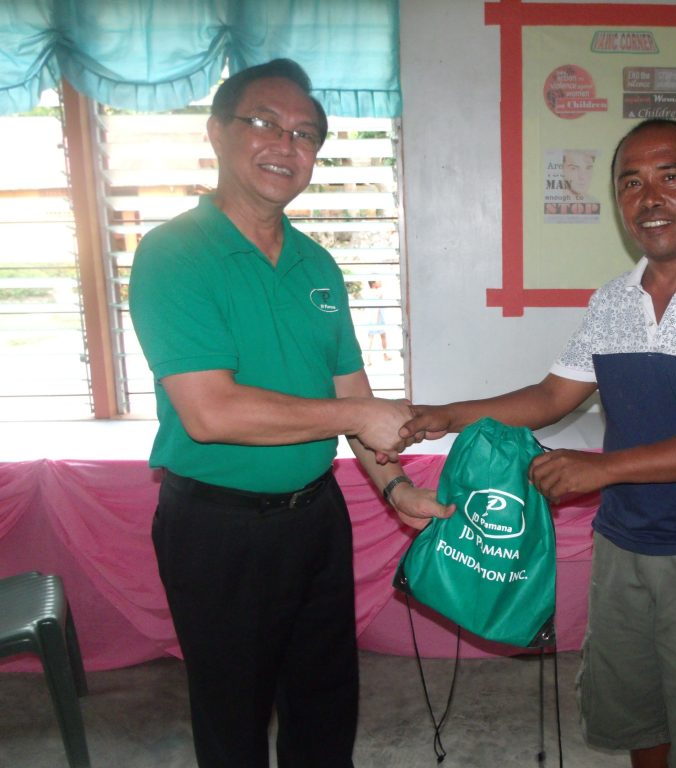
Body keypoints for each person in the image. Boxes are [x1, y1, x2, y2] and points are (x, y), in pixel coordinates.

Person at [402, 119, 676, 768]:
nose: (649, 198)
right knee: (635, 711)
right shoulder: (614, 301)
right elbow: (553, 396)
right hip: (623, 546)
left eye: (670, 177)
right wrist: (450, 414)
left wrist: (602, 468)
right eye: (631, 183)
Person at [129, 59, 451, 768]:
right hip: (217, 529)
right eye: (265, 123)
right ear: (217, 133)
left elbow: (349, 400)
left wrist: (396, 488)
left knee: (325, 706)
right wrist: (363, 415)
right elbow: (211, 412)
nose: (287, 144)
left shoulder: (317, 267)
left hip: (315, 520)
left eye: (306, 134)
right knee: (233, 718)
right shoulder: (173, 255)